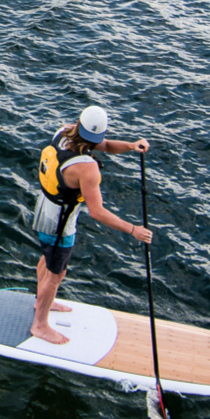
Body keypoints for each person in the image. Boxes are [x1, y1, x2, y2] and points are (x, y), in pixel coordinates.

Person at [31, 105, 153, 345]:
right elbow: (97, 212)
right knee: (57, 274)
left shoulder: (65, 132)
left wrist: (130, 146)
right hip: (61, 222)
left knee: (47, 259)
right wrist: (133, 230)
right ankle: (40, 324)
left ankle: (42, 300)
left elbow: (105, 145)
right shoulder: (87, 168)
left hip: (45, 207)